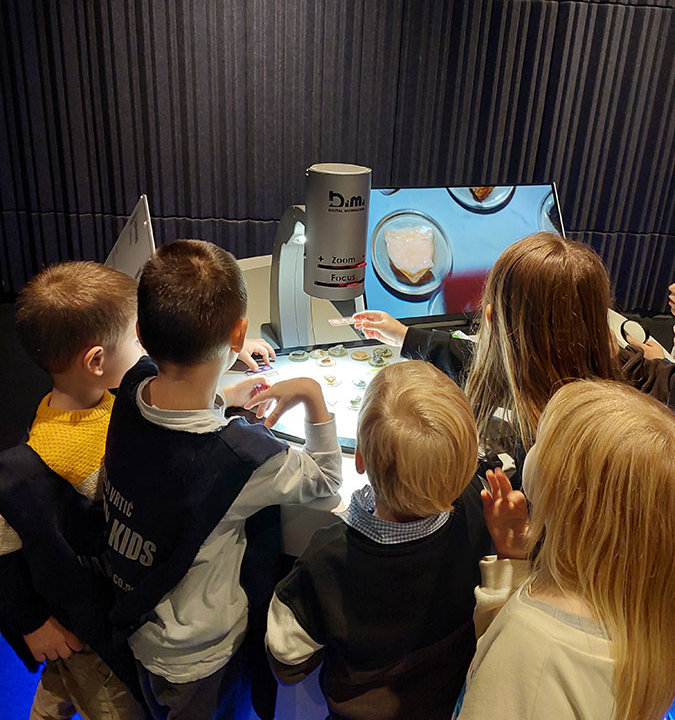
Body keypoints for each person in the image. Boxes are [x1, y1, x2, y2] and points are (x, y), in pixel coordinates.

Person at [103, 239, 342, 720]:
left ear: (142, 335)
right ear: (240, 334)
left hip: (135, 618)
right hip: (198, 658)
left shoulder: (131, 386)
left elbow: (175, 409)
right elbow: (326, 478)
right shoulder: (241, 457)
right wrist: (310, 393)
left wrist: (224, 397)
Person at [266, 360, 492, 720]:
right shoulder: (479, 509)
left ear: (359, 458)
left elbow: (288, 661)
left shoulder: (327, 558)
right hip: (445, 702)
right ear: (467, 466)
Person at [454, 379, 675, 720]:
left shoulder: (528, 652)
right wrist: (513, 559)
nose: (532, 446)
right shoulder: (640, 621)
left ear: (572, 499)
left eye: (542, 440)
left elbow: (512, 670)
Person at [0, 261, 148, 719]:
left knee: (58, 687)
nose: (145, 348)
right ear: (96, 362)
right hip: (88, 632)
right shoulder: (46, 460)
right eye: (138, 340)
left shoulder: (85, 402)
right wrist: (30, 623)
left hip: (83, 617)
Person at [355, 233, 625, 458]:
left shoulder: (537, 451)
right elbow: (481, 362)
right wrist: (405, 336)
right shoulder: (612, 389)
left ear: (491, 318)